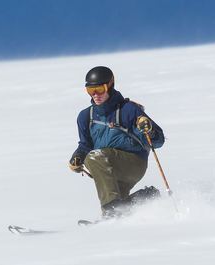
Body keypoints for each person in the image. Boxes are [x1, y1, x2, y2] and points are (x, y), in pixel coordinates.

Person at [68, 66, 165, 217]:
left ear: (110, 85)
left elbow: (158, 141)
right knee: (122, 209)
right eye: (90, 90)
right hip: (107, 168)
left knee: (95, 157)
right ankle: (147, 197)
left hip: (133, 163)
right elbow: (85, 145)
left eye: (99, 89)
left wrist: (149, 130)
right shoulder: (86, 116)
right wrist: (78, 156)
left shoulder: (128, 109)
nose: (95, 95)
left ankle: (111, 211)